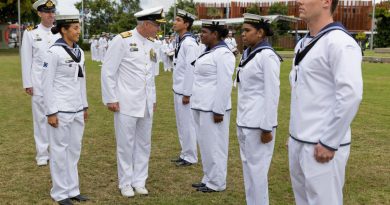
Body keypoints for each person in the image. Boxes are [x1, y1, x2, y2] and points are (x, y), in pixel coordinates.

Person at [288, 0, 363, 204]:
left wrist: (330, 141)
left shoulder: (340, 42)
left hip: (322, 146)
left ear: (326, 2)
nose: (298, 1)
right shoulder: (303, 42)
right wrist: (294, 136)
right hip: (299, 140)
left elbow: (350, 95)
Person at [101, 6, 165, 198]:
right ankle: (126, 182)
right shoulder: (122, 40)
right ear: (146, 24)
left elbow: (151, 76)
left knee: (144, 143)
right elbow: (108, 71)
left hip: (146, 103)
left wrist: (152, 99)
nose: (158, 30)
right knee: (126, 144)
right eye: (156, 26)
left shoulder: (153, 43)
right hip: (126, 101)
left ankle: (140, 181)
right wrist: (111, 98)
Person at [42, 6, 89, 205]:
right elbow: (46, 84)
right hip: (60, 110)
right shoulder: (54, 52)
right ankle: (60, 193)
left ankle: (73, 189)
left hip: (77, 108)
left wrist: (84, 106)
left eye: (79, 27)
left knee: (74, 150)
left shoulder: (79, 51)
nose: (79, 31)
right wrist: (51, 112)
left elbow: (82, 81)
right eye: (75, 27)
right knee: (60, 152)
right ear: (64, 30)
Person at [236, 13, 282, 205]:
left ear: (261, 32)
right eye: (242, 31)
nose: (243, 35)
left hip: (258, 124)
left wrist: (267, 127)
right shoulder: (248, 53)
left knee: (258, 172)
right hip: (244, 120)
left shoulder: (267, 56)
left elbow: (272, 94)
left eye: (247, 31)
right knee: (249, 170)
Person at [191, 20, 235, 193]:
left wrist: (219, 109)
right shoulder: (208, 51)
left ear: (215, 35)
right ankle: (208, 178)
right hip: (200, 105)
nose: (201, 35)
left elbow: (225, 84)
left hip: (213, 109)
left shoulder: (223, 54)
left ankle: (217, 182)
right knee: (206, 145)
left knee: (216, 146)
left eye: (204, 32)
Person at [21, 0, 60, 167]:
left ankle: (57, 151)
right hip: (38, 82)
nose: (50, 15)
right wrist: (28, 83)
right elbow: (26, 59)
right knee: (40, 119)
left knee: (58, 118)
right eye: (46, 12)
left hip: (58, 83)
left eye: (52, 12)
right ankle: (42, 153)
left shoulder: (60, 32)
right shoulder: (31, 33)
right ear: (40, 13)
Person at [171, 9, 199, 167]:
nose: (174, 22)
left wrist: (187, 93)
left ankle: (191, 156)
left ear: (186, 24)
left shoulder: (189, 43)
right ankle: (185, 152)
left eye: (178, 20)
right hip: (179, 89)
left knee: (188, 124)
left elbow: (191, 70)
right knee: (182, 123)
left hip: (185, 91)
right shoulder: (181, 40)